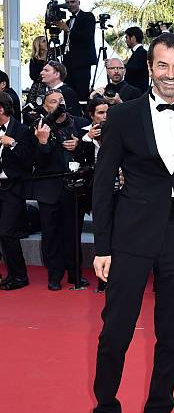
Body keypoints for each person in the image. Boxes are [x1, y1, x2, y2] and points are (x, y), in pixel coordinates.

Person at [72, 33, 174, 413]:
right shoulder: (124, 116)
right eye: (163, 66)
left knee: (170, 334)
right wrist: (102, 246)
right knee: (114, 332)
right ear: (149, 67)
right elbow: (102, 184)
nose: (171, 75)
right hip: (130, 239)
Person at [31, 90, 90, 290]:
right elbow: (38, 162)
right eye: (53, 102)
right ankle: (54, 276)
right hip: (49, 190)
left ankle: (75, 274)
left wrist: (80, 144)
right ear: (46, 107)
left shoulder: (81, 124)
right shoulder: (39, 127)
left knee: (73, 234)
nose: (59, 104)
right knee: (51, 235)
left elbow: (93, 154)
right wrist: (43, 142)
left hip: (74, 189)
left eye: (61, 100)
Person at [0, 93, 33, 290]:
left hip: (12, 189)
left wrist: (11, 143)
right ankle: (11, 274)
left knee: (7, 232)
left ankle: (20, 275)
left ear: (1, 109)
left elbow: (29, 160)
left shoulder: (21, 130)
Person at [54, 0, 96, 101]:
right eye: (67, 3)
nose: (70, 5)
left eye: (72, 2)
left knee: (81, 94)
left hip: (82, 64)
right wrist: (52, 51)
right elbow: (66, 44)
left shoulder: (88, 16)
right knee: (68, 94)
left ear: (79, 3)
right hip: (68, 64)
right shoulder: (68, 22)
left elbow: (86, 36)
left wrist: (67, 30)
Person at [124, 26, 149, 93]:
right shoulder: (137, 53)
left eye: (126, 37)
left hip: (137, 94)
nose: (125, 40)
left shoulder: (142, 53)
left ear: (133, 38)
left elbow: (135, 69)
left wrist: (123, 65)